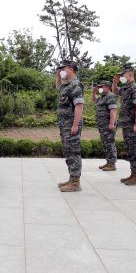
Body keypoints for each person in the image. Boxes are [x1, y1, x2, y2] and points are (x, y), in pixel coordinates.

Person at [55, 59, 85, 192]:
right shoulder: (66, 85)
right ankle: (72, 178)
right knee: (68, 152)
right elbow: (57, 85)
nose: (61, 71)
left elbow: (79, 106)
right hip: (64, 125)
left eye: (63, 69)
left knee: (73, 152)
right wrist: (58, 74)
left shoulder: (76, 85)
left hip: (71, 125)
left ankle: (75, 182)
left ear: (71, 69)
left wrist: (75, 125)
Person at [112, 65, 136, 185]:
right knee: (130, 149)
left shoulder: (135, 88)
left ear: (130, 74)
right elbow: (115, 91)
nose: (121, 77)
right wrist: (114, 82)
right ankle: (134, 174)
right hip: (127, 125)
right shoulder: (126, 88)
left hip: (133, 124)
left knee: (135, 149)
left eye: (122, 75)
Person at [91, 81, 117, 171]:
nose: (100, 88)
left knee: (110, 143)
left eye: (102, 86)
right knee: (105, 143)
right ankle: (108, 162)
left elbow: (113, 110)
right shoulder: (102, 97)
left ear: (108, 87)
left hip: (108, 125)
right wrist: (94, 92)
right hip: (102, 125)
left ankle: (112, 164)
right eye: (100, 86)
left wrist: (111, 123)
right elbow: (93, 100)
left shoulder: (110, 96)